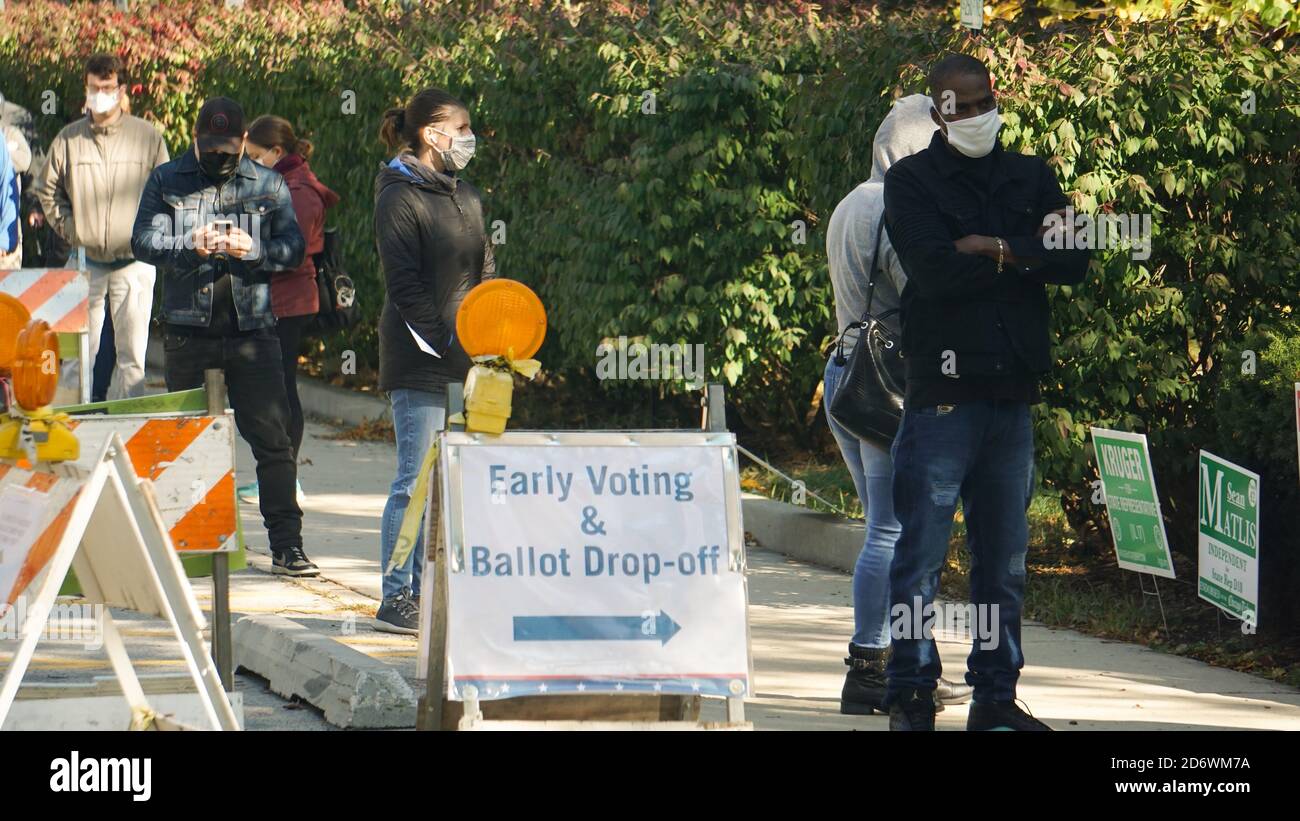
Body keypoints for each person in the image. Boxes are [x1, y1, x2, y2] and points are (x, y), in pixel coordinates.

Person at [881, 54, 1090, 731]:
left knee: (1002, 564)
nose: (971, 116)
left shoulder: (1030, 174)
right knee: (921, 555)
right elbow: (935, 272)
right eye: (956, 106)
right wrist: (1024, 255)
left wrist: (992, 245)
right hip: (943, 393)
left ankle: (995, 700)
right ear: (938, 111)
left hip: (1012, 393)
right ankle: (912, 691)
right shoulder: (911, 182)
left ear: (995, 99)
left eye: (980, 103)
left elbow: (1075, 259)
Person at [825, 93, 972, 716]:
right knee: (894, 530)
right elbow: (925, 294)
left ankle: (885, 667)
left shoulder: (849, 203)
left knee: (882, 527)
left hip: (845, 373)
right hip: (891, 381)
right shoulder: (895, 206)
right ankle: (879, 670)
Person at [131, 96, 317, 578]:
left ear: (243, 143)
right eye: (210, 147)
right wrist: (188, 246)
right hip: (187, 331)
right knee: (186, 441)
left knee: (272, 440)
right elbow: (143, 241)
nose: (219, 156)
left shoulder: (267, 183)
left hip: (252, 331)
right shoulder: (167, 179)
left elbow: (294, 249)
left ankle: (286, 545)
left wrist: (252, 249)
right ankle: (188, 543)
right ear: (196, 140)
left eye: (229, 148)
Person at [372, 88, 496, 633]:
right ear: (431, 133)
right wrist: (446, 344)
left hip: (471, 357)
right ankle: (396, 594)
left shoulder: (466, 195)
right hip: (420, 358)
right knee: (413, 480)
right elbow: (405, 289)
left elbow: (485, 267)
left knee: (454, 482)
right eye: (461, 128)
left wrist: (491, 333)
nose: (468, 139)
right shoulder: (397, 197)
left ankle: (437, 590)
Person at [36, 54, 168, 399]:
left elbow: (167, 190)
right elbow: (46, 189)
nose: (100, 94)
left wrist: (149, 233)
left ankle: (130, 432)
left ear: (120, 90)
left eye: (107, 87)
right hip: (87, 263)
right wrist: (71, 230)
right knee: (78, 360)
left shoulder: (147, 137)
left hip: (134, 263)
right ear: (86, 87)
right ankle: (74, 432)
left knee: (133, 360)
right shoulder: (68, 139)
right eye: (94, 87)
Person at [241, 115, 340, 505]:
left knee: (281, 390)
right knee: (274, 388)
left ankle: (286, 475)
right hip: (278, 298)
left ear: (277, 152)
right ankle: (278, 473)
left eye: (254, 156)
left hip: (288, 300)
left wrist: (247, 252)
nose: (248, 164)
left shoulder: (297, 190)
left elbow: (291, 251)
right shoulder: (281, 183)